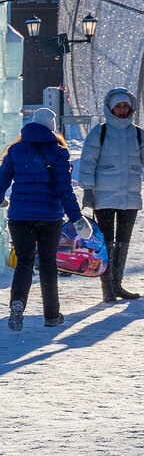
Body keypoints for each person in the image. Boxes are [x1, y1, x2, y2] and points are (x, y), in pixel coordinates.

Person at [0, 107, 88, 329]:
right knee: (47, 265)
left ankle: (17, 304)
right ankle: (52, 315)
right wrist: (77, 219)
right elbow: (64, 190)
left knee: (24, 261)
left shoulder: (16, 150)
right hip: (49, 217)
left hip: (19, 216)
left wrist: (0, 200)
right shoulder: (60, 153)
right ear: (52, 129)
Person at [78, 89, 144, 302]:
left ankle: (118, 284)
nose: (123, 110)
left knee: (123, 241)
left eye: (125, 106)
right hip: (104, 197)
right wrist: (87, 190)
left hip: (130, 197)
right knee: (106, 242)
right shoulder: (100, 132)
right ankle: (107, 286)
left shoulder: (138, 133)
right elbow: (88, 162)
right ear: (111, 108)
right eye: (119, 106)